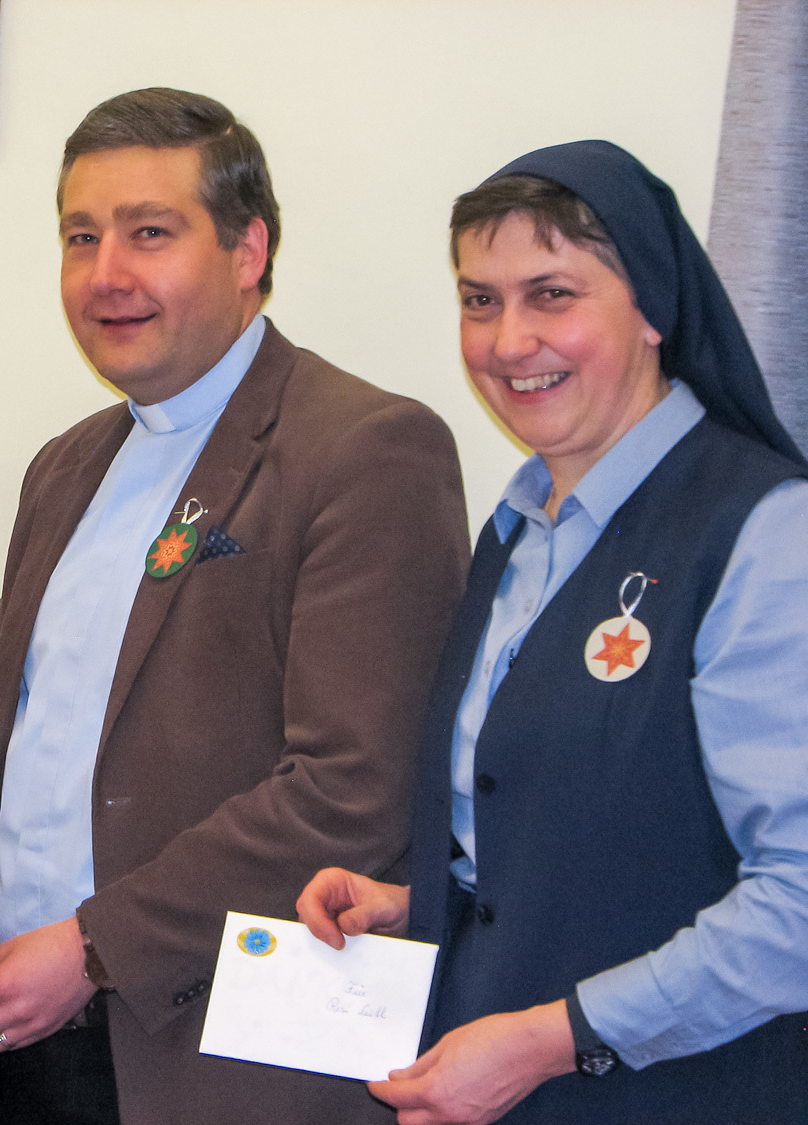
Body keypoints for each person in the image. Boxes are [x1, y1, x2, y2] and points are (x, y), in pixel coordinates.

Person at [0, 88, 470, 1124]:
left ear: (248, 249)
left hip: (213, 1064)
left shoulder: (365, 451)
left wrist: (93, 949)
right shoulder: (66, 466)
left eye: (150, 233)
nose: (106, 273)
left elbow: (355, 790)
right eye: (81, 237)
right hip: (20, 1047)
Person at [298, 140, 808, 1124]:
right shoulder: (517, 529)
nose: (508, 340)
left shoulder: (764, 534)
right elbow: (573, 825)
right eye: (479, 300)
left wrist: (553, 1036)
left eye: (552, 295)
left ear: (653, 307)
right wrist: (421, 901)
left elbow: (798, 904)